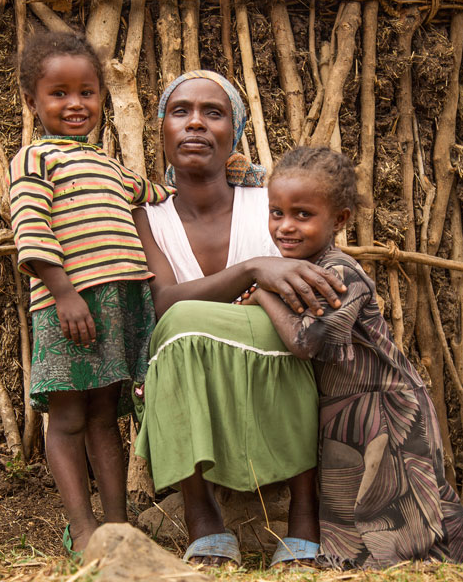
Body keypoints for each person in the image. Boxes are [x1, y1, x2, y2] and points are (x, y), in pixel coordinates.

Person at [240, 145, 463, 570]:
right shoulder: (299, 269)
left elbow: (308, 343)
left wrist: (264, 294)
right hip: (350, 417)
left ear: (339, 220)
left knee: (393, 540)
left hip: (388, 413)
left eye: (302, 214)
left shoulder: (341, 273)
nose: (285, 226)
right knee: (402, 536)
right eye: (276, 213)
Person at [132, 70, 346, 568]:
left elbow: (316, 291)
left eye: (214, 113)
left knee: (281, 332)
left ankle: (304, 517)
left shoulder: (269, 206)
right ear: (162, 128)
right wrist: (252, 268)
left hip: (277, 365)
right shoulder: (147, 216)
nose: (195, 124)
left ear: (235, 132)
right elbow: (163, 303)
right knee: (181, 326)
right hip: (194, 370)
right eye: (180, 111)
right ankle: (202, 517)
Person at [9, 31, 174, 555]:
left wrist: (239, 173)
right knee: (69, 417)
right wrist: (64, 294)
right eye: (59, 93)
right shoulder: (34, 161)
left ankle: (117, 529)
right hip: (70, 305)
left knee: (107, 416)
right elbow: (31, 233)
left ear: (102, 96)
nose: (75, 104)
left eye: (87, 92)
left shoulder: (109, 166)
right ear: (32, 102)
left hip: (117, 306)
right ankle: (82, 530)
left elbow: (159, 194)